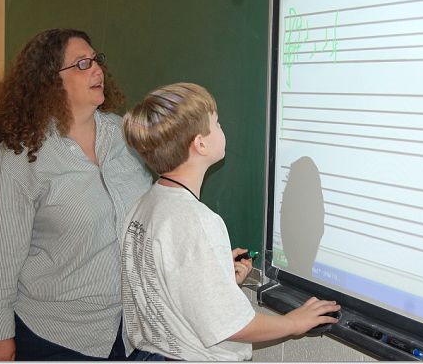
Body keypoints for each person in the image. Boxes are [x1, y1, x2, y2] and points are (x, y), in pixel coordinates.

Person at [121, 83, 341, 361]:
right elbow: (231, 326)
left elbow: (173, 285)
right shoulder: (197, 222)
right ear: (200, 144)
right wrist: (294, 322)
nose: (222, 128)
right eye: (217, 123)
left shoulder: (145, 205)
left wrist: (216, 277)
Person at [0, 28, 152, 361]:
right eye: (82, 64)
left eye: (96, 60)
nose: (97, 70)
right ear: (49, 81)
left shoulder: (126, 136)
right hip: (55, 334)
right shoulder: (19, 159)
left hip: (130, 330)